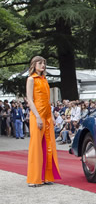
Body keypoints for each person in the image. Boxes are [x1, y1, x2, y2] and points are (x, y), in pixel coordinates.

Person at [26, 56, 61, 187]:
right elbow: (30, 100)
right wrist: (37, 116)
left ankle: (46, 176)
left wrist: (51, 115)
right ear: (34, 64)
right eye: (40, 63)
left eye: (44, 63)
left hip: (46, 114)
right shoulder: (31, 79)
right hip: (37, 115)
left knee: (48, 144)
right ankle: (34, 178)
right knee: (36, 146)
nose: (43, 65)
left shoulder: (44, 79)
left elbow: (47, 100)